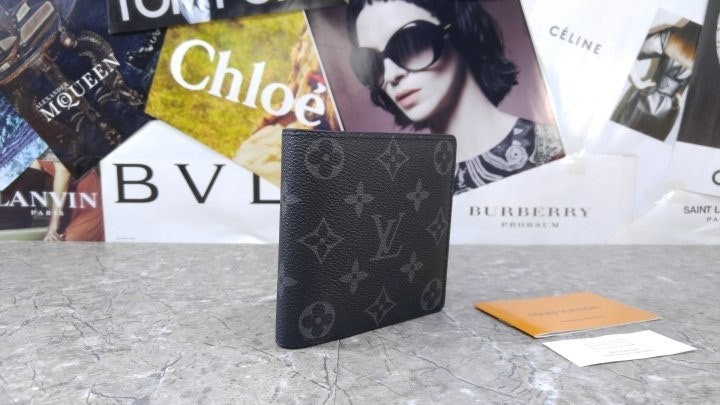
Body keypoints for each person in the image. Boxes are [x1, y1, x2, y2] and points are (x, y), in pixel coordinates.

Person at [346, 0, 564, 194]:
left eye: (410, 43)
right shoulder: (407, 187)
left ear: (459, 29)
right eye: (372, 61)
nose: (391, 75)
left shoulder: (553, 149)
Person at [611, 21, 701, 141]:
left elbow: (628, 51)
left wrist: (638, 83)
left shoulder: (670, 36)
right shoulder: (709, 55)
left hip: (647, 99)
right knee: (645, 149)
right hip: (668, 110)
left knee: (615, 139)